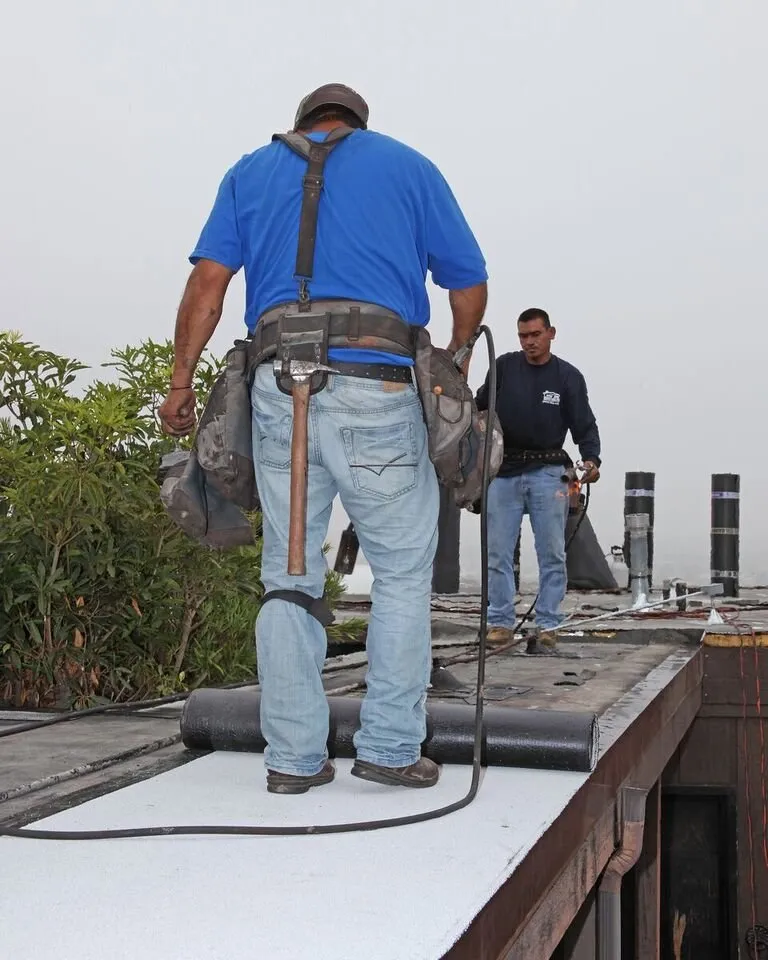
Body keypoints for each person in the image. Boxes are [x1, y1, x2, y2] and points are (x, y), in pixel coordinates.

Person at [158, 84, 488, 793]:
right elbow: (468, 284)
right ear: (358, 125)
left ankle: (293, 760)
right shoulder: (407, 166)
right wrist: (457, 356)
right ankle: (392, 749)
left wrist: (181, 384)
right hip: (379, 382)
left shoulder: (251, 171)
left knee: (289, 578)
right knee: (400, 576)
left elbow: (207, 288)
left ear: (302, 124)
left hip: (281, 392)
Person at [475, 308, 601, 647]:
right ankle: (500, 622)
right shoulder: (503, 367)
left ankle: (547, 625)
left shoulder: (567, 377)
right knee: (497, 552)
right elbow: (478, 409)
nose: (529, 342)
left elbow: (584, 425)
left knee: (552, 553)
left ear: (551, 333)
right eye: (523, 336)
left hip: (549, 472)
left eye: (535, 335)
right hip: (503, 472)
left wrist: (591, 459)